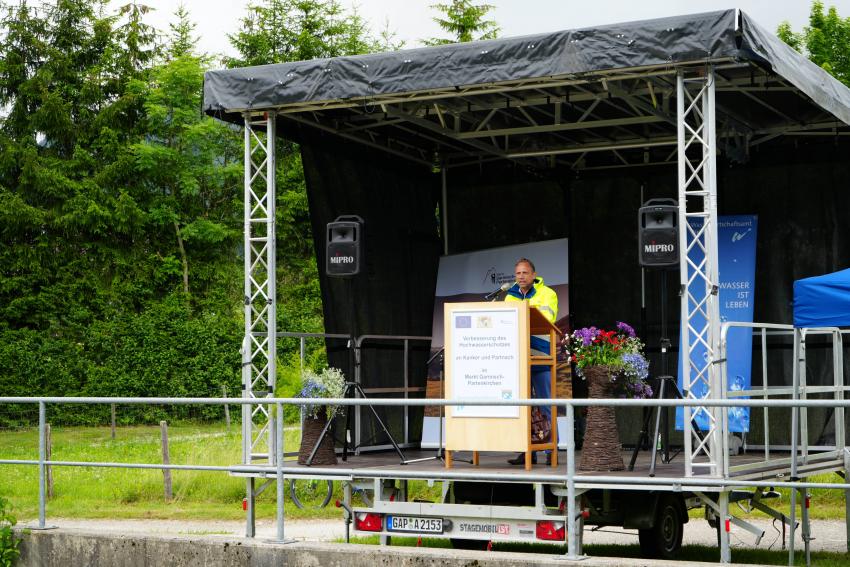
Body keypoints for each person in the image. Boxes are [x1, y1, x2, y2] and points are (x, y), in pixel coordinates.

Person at [503, 258, 558, 465]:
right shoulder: (510, 296)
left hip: (541, 355)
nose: (521, 277)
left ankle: (550, 449)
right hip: (517, 357)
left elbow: (547, 319)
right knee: (522, 407)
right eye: (518, 273)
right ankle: (526, 451)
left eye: (525, 273)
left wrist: (526, 309)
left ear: (534, 275)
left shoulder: (548, 293)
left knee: (545, 404)